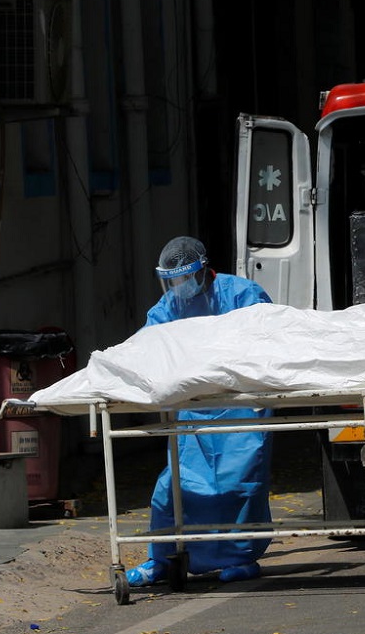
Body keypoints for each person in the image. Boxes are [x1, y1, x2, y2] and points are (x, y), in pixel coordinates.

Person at [125, 236, 275, 586]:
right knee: (173, 486)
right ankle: (162, 557)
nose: (179, 287)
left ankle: (240, 558)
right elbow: (146, 344)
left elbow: (265, 340)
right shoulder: (169, 307)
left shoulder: (242, 295)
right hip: (195, 412)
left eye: (184, 278)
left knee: (238, 486)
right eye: (171, 280)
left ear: (205, 271)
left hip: (241, 410)